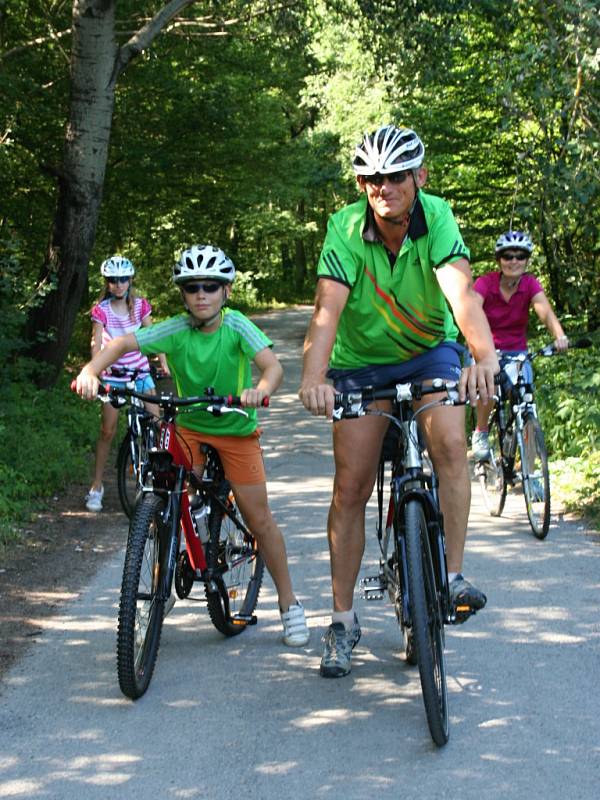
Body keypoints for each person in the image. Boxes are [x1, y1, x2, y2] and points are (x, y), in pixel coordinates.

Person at [298, 124, 499, 678]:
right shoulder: (343, 229)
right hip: (361, 363)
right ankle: (341, 622)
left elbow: (462, 296)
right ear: (362, 183)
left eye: (395, 176)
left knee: (451, 444)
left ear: (419, 177)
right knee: (351, 486)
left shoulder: (436, 217)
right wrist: (315, 376)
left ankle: (452, 577)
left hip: (430, 351)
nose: (383, 186)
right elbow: (326, 313)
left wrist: (482, 358)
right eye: (372, 177)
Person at [76, 245, 309, 647]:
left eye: (211, 287)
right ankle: (165, 569)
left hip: (235, 426)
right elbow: (118, 346)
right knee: (164, 489)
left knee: (260, 519)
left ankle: (290, 605)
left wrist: (260, 390)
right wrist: (90, 371)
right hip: (190, 427)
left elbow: (273, 366)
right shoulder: (175, 329)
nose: (202, 294)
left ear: (226, 291)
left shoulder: (237, 326)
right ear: (183, 294)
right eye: (192, 287)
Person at [471, 231, 568, 463]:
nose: (514, 261)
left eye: (520, 256)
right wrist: (478, 348)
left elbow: (544, 310)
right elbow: (472, 310)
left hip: (516, 352)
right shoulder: (486, 283)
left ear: (526, 260)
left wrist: (559, 336)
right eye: (507, 256)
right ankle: (481, 432)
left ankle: (531, 472)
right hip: (486, 349)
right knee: (489, 389)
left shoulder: (530, 284)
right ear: (499, 259)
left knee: (526, 403)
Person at [85, 256, 168, 512]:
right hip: (114, 375)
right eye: (113, 280)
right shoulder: (101, 310)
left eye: (123, 279)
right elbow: (96, 343)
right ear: (107, 283)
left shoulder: (141, 307)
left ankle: (160, 480)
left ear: (130, 280)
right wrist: (95, 371)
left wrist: (162, 363)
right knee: (107, 431)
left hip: (140, 372)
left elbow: (154, 337)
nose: (118, 284)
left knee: (156, 425)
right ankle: (96, 486)